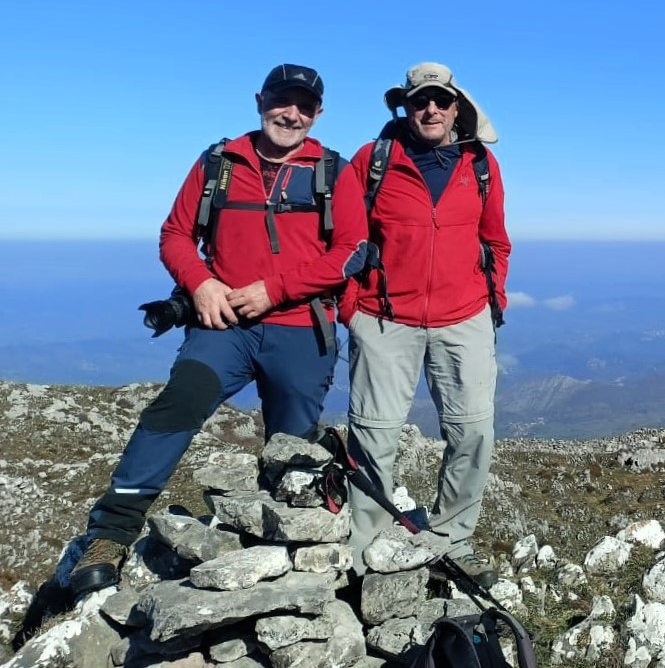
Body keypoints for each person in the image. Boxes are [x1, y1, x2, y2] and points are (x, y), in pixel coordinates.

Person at [69, 64, 368, 597]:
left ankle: (282, 545)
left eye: (304, 105)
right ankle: (110, 535)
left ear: (317, 114)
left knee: (289, 448)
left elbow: (351, 251)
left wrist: (273, 291)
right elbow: (176, 234)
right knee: (176, 406)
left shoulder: (332, 171)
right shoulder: (218, 164)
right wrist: (201, 283)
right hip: (223, 324)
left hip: (301, 327)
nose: (291, 113)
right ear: (260, 100)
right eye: (281, 99)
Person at [341, 62, 510, 587]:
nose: (430, 109)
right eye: (420, 102)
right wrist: (353, 310)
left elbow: (496, 239)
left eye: (440, 100)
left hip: (464, 320)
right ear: (405, 107)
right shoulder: (373, 161)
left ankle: (450, 540)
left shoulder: (479, 164)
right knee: (373, 435)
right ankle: (362, 551)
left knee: (473, 431)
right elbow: (346, 243)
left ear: (456, 107)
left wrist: (492, 299)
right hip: (385, 319)